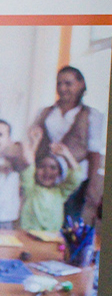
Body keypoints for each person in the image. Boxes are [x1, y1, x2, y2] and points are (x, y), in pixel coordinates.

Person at [32, 66, 105, 225]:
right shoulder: (45, 112)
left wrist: (92, 186)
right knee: (43, 220)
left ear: (81, 84)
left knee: (70, 224)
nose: (62, 88)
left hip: (74, 182)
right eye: (59, 83)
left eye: (68, 83)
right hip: (46, 178)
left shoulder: (91, 115)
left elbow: (94, 153)